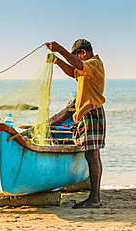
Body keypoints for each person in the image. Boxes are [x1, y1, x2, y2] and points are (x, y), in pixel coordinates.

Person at [46, 39, 106, 208]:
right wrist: (57, 61)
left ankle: (95, 199)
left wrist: (59, 50)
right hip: (85, 114)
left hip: (91, 112)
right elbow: (73, 71)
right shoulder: (84, 69)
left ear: (84, 53)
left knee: (92, 155)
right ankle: (94, 198)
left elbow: (77, 65)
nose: (76, 59)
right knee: (91, 155)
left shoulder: (94, 64)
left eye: (76, 55)